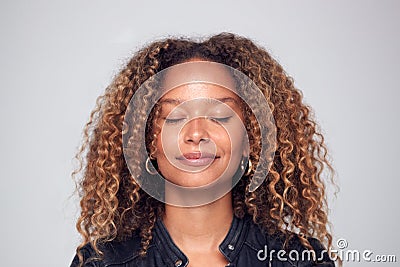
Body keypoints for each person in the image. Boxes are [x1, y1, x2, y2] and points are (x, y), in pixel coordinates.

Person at [70, 32, 336, 267]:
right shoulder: (102, 263)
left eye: (219, 116)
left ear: (251, 139)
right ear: (149, 141)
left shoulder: (302, 261)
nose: (196, 133)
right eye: (174, 117)